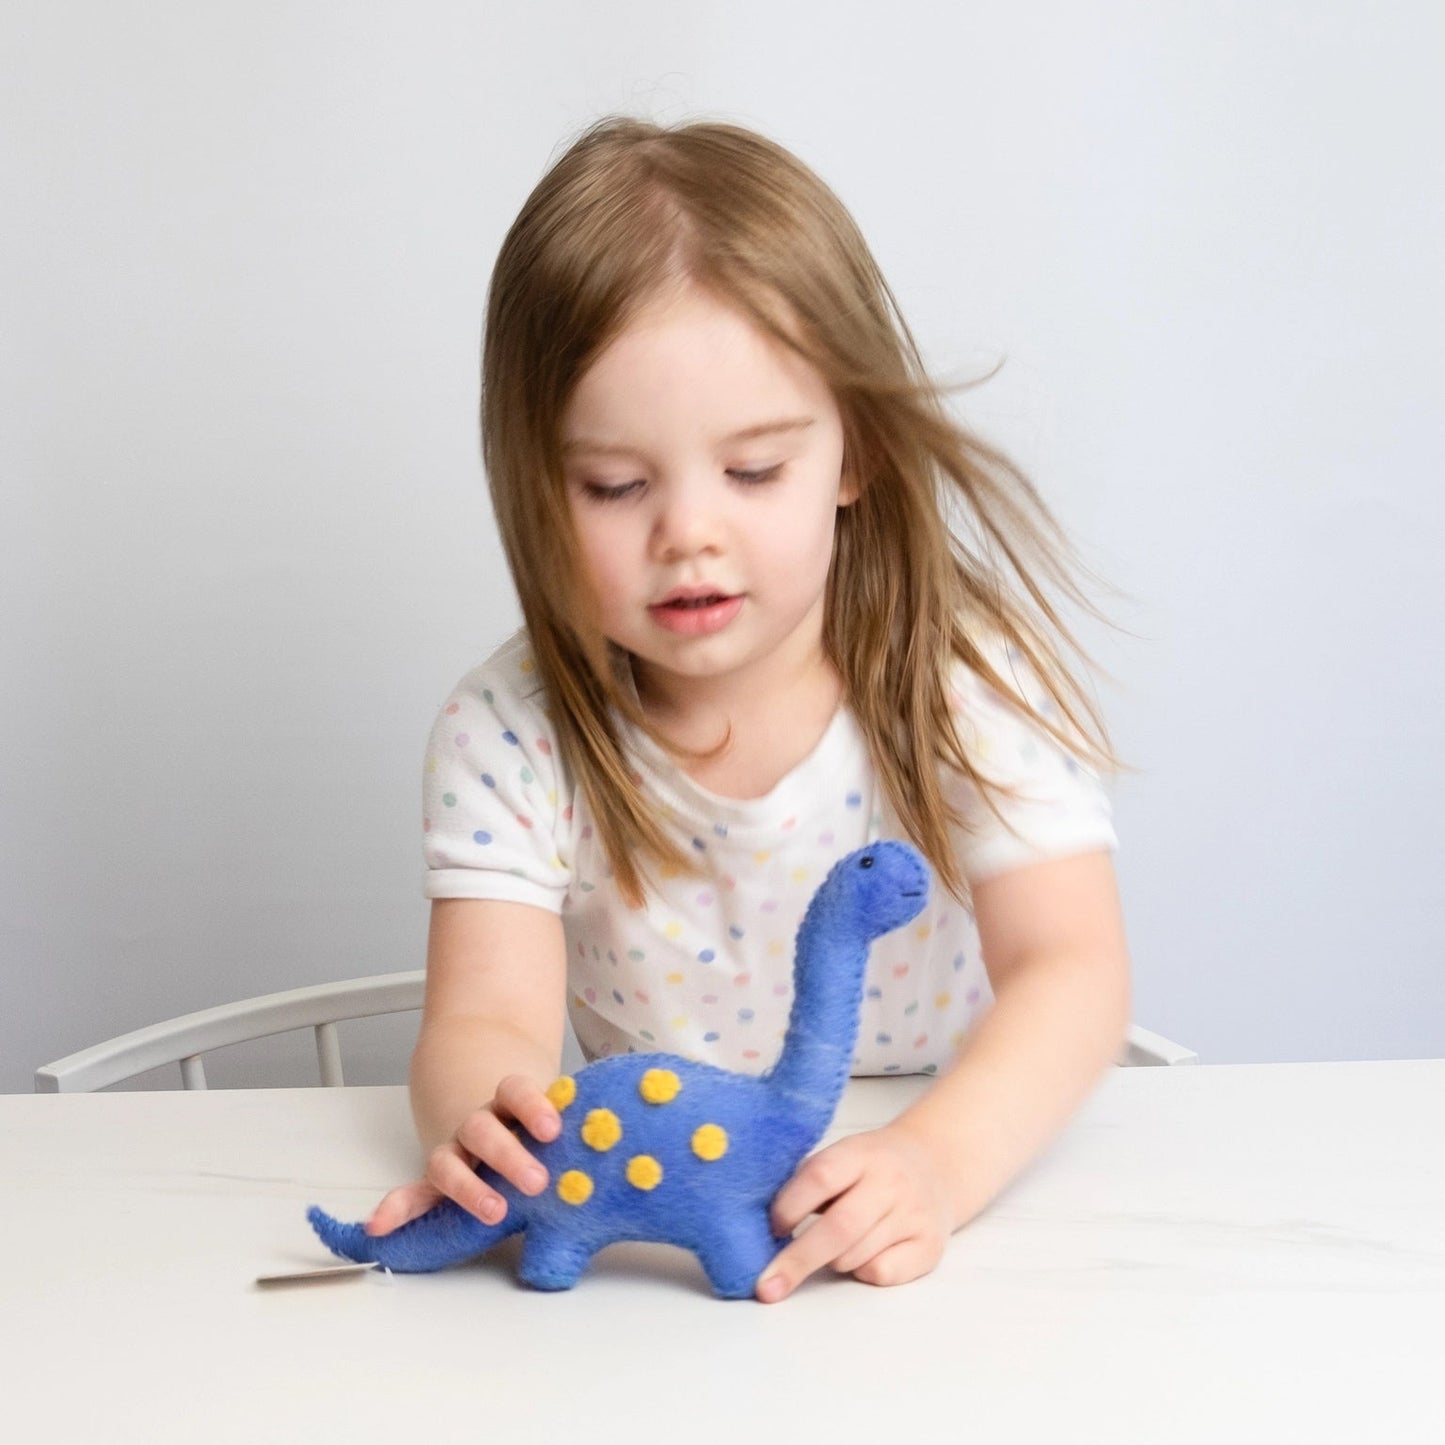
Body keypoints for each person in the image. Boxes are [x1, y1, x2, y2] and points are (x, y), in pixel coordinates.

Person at [365, 115, 1132, 1303]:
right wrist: (490, 1122)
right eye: (614, 484)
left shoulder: (957, 680)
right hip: (660, 1244)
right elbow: (483, 1014)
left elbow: (1070, 968)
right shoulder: (506, 732)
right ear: (532, 486)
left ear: (855, 454)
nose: (688, 532)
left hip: (937, 1185)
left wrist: (936, 1160)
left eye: (754, 469)